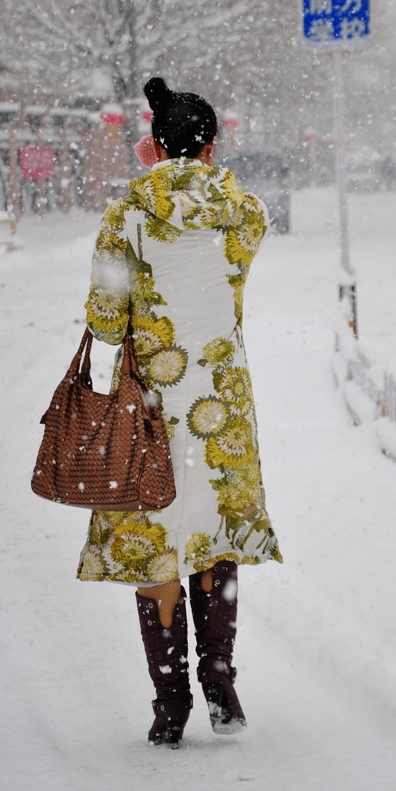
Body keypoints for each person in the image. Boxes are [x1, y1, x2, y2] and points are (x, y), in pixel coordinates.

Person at [78, 76, 283, 749]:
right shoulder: (245, 211)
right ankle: (219, 677)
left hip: (151, 406)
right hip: (220, 401)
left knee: (158, 540)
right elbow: (228, 276)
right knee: (213, 536)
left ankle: (170, 703)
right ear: (214, 144)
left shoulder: (126, 212)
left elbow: (107, 322)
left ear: (149, 147)